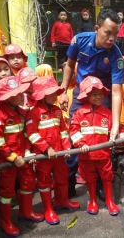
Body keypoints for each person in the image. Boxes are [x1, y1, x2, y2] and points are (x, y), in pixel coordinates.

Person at [58, 9, 124, 196]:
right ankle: (68, 183)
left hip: (103, 97)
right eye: (107, 33)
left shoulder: (116, 56)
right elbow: (70, 64)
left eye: (115, 34)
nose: (112, 38)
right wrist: (63, 90)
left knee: (102, 139)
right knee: (74, 137)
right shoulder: (80, 40)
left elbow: (117, 90)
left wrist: (116, 125)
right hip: (81, 96)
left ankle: (103, 184)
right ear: (97, 28)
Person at [0, 77, 43, 236]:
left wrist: (27, 152)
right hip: (7, 163)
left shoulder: (20, 112)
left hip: (22, 158)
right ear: (6, 98)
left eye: (21, 91)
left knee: (28, 184)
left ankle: (26, 212)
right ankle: (6, 222)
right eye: (17, 93)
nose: (22, 95)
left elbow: (25, 134)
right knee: (6, 193)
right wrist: (12, 157)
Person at [25, 76, 80, 225]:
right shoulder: (34, 112)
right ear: (41, 95)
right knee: (44, 183)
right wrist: (46, 148)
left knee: (62, 178)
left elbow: (63, 131)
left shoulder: (57, 110)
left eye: (55, 92)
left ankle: (62, 201)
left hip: (59, 155)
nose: (55, 95)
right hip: (43, 156)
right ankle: (48, 209)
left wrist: (67, 147)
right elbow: (32, 134)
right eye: (51, 93)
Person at [69, 76, 124, 216]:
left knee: (107, 177)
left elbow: (117, 127)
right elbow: (74, 130)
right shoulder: (79, 114)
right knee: (90, 178)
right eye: (94, 94)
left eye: (100, 94)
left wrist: (123, 136)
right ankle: (92, 200)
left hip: (104, 155)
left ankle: (109, 201)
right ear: (86, 96)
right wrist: (80, 143)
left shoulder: (107, 113)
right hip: (86, 155)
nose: (98, 97)